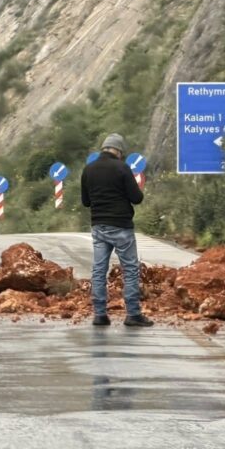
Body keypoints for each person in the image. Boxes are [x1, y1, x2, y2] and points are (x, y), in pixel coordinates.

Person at [80, 133, 153, 327]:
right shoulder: (122, 168)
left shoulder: (89, 169)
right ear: (119, 151)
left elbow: (86, 201)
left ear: (103, 148)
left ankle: (100, 314)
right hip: (121, 227)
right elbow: (136, 198)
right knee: (130, 270)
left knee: (98, 270)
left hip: (98, 227)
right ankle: (133, 314)